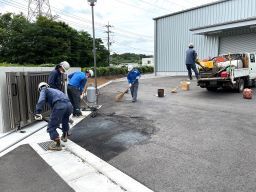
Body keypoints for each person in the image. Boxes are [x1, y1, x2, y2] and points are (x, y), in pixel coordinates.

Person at [34, 82, 73, 151]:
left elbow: (41, 100)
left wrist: (38, 112)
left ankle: (57, 144)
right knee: (65, 121)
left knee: (51, 127)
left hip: (60, 106)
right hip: (69, 105)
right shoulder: (55, 90)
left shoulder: (44, 89)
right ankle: (64, 136)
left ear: (40, 88)